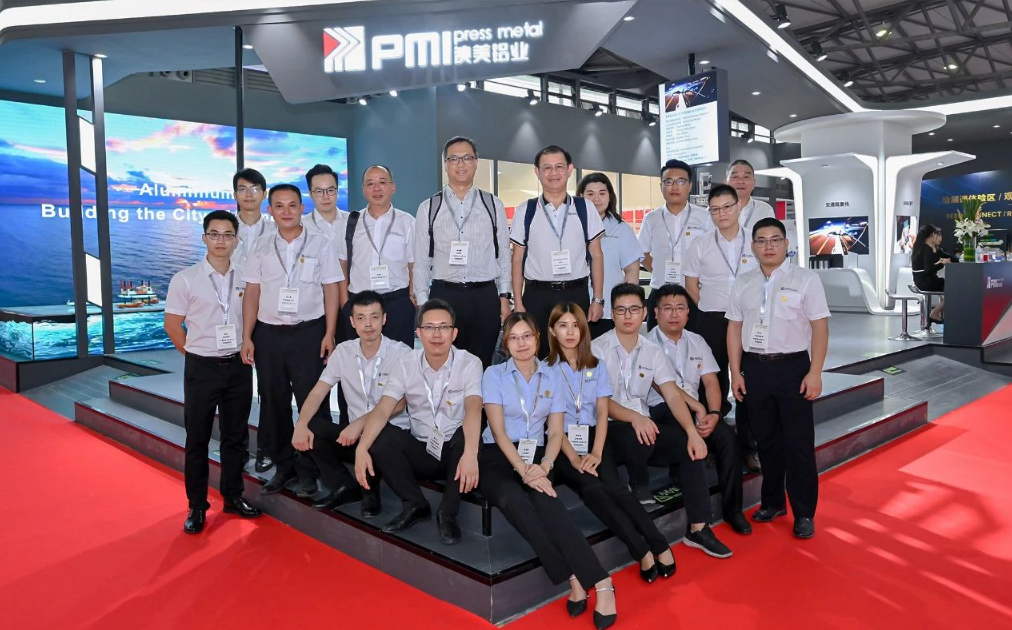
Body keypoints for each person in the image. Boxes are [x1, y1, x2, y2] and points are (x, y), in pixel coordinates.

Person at [480, 312, 617, 629]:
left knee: (548, 501)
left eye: (527, 336)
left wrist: (544, 465)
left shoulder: (552, 376)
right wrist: (522, 469)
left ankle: (602, 582)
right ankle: (574, 576)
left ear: (538, 338)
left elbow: (555, 432)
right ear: (505, 343)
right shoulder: (493, 374)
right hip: (498, 455)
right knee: (513, 499)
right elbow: (498, 431)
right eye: (513, 338)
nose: (521, 343)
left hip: (539, 454)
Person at [592, 283, 732, 559]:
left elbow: (672, 394)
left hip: (643, 426)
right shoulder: (597, 349)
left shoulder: (651, 350)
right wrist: (635, 418)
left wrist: (692, 432)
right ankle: (638, 482)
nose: (628, 316)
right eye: (621, 310)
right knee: (638, 433)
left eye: (634, 309)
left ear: (644, 313)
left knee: (688, 447)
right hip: (607, 427)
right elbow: (600, 402)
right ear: (612, 313)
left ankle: (698, 528)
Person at [547, 303, 677, 581]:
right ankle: (641, 550)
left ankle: (659, 543)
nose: (570, 332)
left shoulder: (596, 365)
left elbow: (602, 412)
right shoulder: (544, 370)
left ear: (584, 330)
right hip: (562, 444)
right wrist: (575, 458)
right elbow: (552, 425)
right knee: (593, 488)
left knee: (616, 488)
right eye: (562, 326)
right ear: (552, 331)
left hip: (594, 436)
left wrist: (596, 452)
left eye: (575, 326)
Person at [727, 217, 830, 539]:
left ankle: (804, 512)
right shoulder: (743, 282)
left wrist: (815, 372)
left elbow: (820, 327)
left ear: (786, 244)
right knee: (766, 442)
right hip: (755, 368)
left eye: (775, 240)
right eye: (761, 240)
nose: (768, 246)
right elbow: (734, 328)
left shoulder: (806, 279)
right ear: (753, 246)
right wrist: (735, 372)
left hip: (793, 368)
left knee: (798, 444)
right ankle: (772, 502)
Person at [241, 183, 343, 498]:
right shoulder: (260, 246)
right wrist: (247, 336)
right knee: (274, 403)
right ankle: (284, 467)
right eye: (279, 206)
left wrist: (329, 333)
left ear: (302, 208)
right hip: (268, 335)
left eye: (292, 205)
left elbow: (331, 289)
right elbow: (252, 293)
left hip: (308, 333)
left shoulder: (321, 243)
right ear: (270, 210)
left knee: (314, 403)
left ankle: (312, 470)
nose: (286, 211)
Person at [164, 210, 262, 534]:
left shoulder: (247, 277)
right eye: (214, 234)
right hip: (202, 367)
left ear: (236, 239)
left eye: (227, 234)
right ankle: (197, 505)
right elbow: (172, 325)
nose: (221, 240)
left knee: (236, 437)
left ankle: (233, 496)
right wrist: (194, 353)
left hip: (238, 366)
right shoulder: (185, 278)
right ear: (204, 238)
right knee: (198, 438)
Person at [353, 299, 481, 544]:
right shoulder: (406, 363)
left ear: (454, 333)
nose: (436, 334)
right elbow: (383, 409)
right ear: (418, 333)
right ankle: (415, 503)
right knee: (381, 436)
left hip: (454, 452)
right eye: (429, 327)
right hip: (421, 449)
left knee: (466, 437)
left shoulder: (469, 362)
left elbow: (474, 409)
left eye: (443, 327)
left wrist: (471, 454)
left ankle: (447, 514)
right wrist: (361, 448)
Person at [290, 291, 412, 516]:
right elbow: (317, 393)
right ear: (352, 322)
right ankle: (343, 485)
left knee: (379, 438)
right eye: (361, 318)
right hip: (354, 435)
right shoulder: (343, 352)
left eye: (374, 317)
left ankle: (370, 492)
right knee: (313, 426)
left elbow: (400, 404)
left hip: (390, 434)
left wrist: (360, 423)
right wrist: (300, 424)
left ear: (384, 319)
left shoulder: (402, 353)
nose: (368, 324)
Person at [647, 284, 750, 534]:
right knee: (685, 436)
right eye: (667, 308)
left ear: (688, 313)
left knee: (727, 439)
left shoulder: (697, 341)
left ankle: (733, 510)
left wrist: (714, 413)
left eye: (680, 308)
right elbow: (665, 387)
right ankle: (699, 522)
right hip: (661, 410)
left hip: (698, 411)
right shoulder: (645, 344)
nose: (674, 314)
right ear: (656, 313)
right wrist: (698, 408)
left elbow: (711, 381)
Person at [413, 136, 511, 369]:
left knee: (482, 363)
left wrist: (504, 297)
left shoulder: (493, 204)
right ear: (445, 164)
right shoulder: (429, 207)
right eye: (454, 159)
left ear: (476, 162)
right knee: (446, 365)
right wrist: (424, 305)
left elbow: (503, 255)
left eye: (467, 158)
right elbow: (421, 260)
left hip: (484, 296)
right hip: (444, 295)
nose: (461, 164)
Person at [683, 184, 761, 473]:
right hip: (712, 320)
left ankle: (748, 448)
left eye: (727, 206)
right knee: (711, 380)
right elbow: (691, 284)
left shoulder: (755, 241)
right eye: (715, 209)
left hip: (749, 320)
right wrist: (707, 307)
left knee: (748, 381)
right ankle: (712, 444)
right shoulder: (700, 244)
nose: (722, 213)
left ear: (738, 206)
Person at [512, 145, 606, 357]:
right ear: (537, 172)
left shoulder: (585, 208)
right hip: (537, 296)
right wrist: (518, 301)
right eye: (547, 168)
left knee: (575, 357)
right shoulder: (526, 210)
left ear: (570, 169)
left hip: (576, 293)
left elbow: (597, 255)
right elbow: (517, 259)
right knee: (537, 356)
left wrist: (598, 299)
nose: (553, 173)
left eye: (559, 167)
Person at [337, 165, 416, 346]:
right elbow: (342, 262)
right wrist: (345, 302)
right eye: (370, 183)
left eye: (382, 182)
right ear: (363, 189)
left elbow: (414, 264)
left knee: (399, 358)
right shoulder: (350, 222)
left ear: (393, 187)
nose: (376, 188)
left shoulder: (407, 222)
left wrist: (411, 297)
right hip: (359, 303)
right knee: (358, 357)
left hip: (396, 302)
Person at [231, 167, 276, 474]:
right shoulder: (224, 227)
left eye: (254, 188)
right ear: (235, 194)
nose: (248, 194)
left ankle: (267, 448)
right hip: (232, 315)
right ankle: (237, 448)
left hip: (269, 314)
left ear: (264, 193)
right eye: (242, 189)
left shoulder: (276, 227)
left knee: (270, 387)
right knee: (237, 388)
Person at [638, 159, 711, 330]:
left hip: (693, 293)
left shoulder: (705, 218)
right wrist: (659, 270)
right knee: (656, 342)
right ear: (661, 186)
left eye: (681, 181)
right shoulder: (651, 218)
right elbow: (641, 253)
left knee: (695, 341)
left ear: (690, 186)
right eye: (669, 182)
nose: (674, 187)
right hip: (660, 292)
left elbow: (711, 253)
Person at [577, 173, 642, 339]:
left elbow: (632, 272)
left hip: (608, 310)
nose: (596, 199)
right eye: (590, 194)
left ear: (610, 196)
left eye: (602, 193)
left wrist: (626, 306)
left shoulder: (621, 229)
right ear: (581, 196)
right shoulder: (572, 227)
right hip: (576, 307)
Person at [911, 223, 953, 323]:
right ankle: (935, 313)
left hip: (923, 280)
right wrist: (943, 264)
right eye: (937, 235)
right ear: (933, 235)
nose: (939, 238)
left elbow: (946, 257)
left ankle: (937, 314)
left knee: (951, 286)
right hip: (926, 282)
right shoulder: (926, 249)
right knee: (954, 289)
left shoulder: (923, 248)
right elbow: (928, 269)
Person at [725, 160, 775, 236]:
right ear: (725, 183)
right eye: (735, 177)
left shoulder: (765, 210)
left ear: (754, 183)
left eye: (746, 177)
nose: (740, 181)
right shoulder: (713, 211)